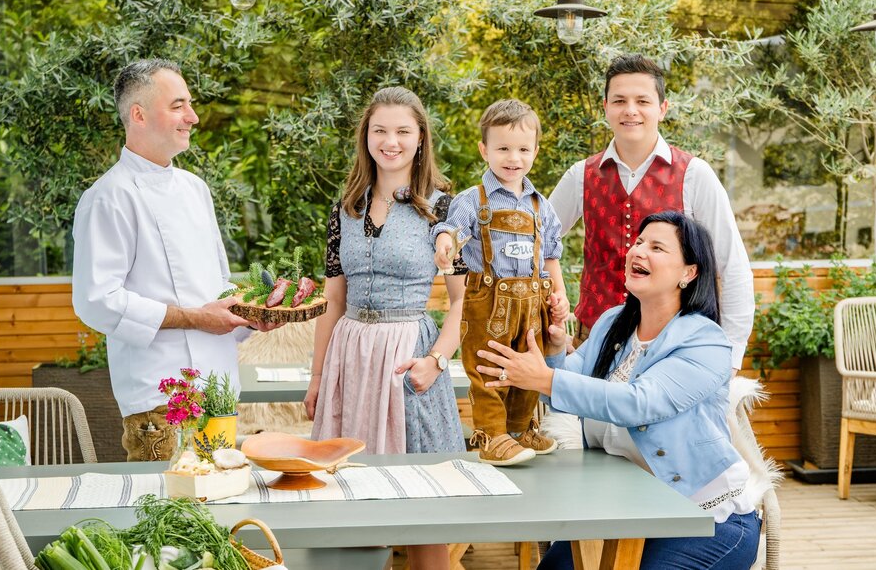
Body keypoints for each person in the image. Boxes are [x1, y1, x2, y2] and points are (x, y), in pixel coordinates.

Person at [475, 211, 761, 570]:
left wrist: (545, 378)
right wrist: (553, 349)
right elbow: (560, 391)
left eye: (657, 247)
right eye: (639, 242)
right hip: (624, 512)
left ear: (689, 273)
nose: (638, 251)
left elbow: (639, 403)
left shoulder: (707, 342)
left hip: (707, 519)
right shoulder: (613, 322)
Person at [72, 59, 266, 462]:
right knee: (166, 502)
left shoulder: (195, 189)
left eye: (190, 105)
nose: (192, 117)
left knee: (220, 500)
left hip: (218, 392)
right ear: (138, 115)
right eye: (178, 106)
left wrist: (249, 316)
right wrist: (195, 318)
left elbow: (216, 287)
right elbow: (96, 301)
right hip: (159, 403)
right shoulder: (109, 197)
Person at [305, 86, 464, 570]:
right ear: (366, 137)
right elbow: (334, 301)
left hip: (407, 360)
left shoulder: (444, 209)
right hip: (350, 359)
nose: (390, 142)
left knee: (422, 508)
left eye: (402, 131)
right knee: (347, 497)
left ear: (420, 139)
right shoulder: (344, 208)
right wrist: (317, 377)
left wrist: (436, 362)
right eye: (380, 131)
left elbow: (463, 302)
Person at [547, 54, 754, 371]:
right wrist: (552, 312)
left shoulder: (695, 175)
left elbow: (732, 267)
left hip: (673, 349)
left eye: (642, 101)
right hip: (593, 346)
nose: (630, 110)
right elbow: (535, 245)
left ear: (662, 108)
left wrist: (731, 358)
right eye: (619, 101)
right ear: (606, 107)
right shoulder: (581, 175)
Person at [432, 99, 569, 466]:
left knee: (529, 365)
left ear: (535, 152)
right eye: (503, 148)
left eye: (523, 149)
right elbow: (451, 229)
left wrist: (559, 296)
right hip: (488, 304)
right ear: (484, 150)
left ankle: (520, 429)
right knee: (488, 368)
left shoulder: (541, 205)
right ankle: (491, 435)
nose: (513, 158)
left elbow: (550, 256)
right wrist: (446, 244)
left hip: (532, 304)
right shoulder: (472, 200)